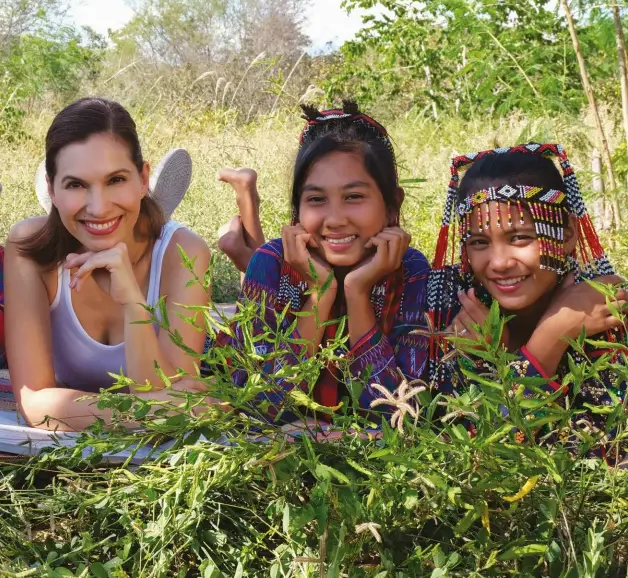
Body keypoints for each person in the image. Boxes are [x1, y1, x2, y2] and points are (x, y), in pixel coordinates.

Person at [5, 98, 216, 431]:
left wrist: (134, 305)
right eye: (76, 184)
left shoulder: (183, 253)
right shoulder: (30, 247)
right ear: (51, 189)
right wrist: (154, 411)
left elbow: (174, 396)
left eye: (115, 180)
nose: (99, 207)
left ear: (143, 178)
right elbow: (34, 402)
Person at [217, 100, 431, 423]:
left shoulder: (411, 271)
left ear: (391, 205)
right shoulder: (271, 266)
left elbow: (402, 417)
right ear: (297, 209)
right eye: (316, 199)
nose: (334, 220)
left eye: (354, 197)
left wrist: (357, 294)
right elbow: (257, 408)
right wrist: (321, 295)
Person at [425, 143, 627, 453]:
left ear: (568, 233)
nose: (500, 262)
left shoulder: (605, 311)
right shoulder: (461, 307)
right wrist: (546, 341)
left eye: (520, 237)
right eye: (479, 242)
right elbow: (480, 455)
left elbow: (599, 455)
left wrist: (547, 338)